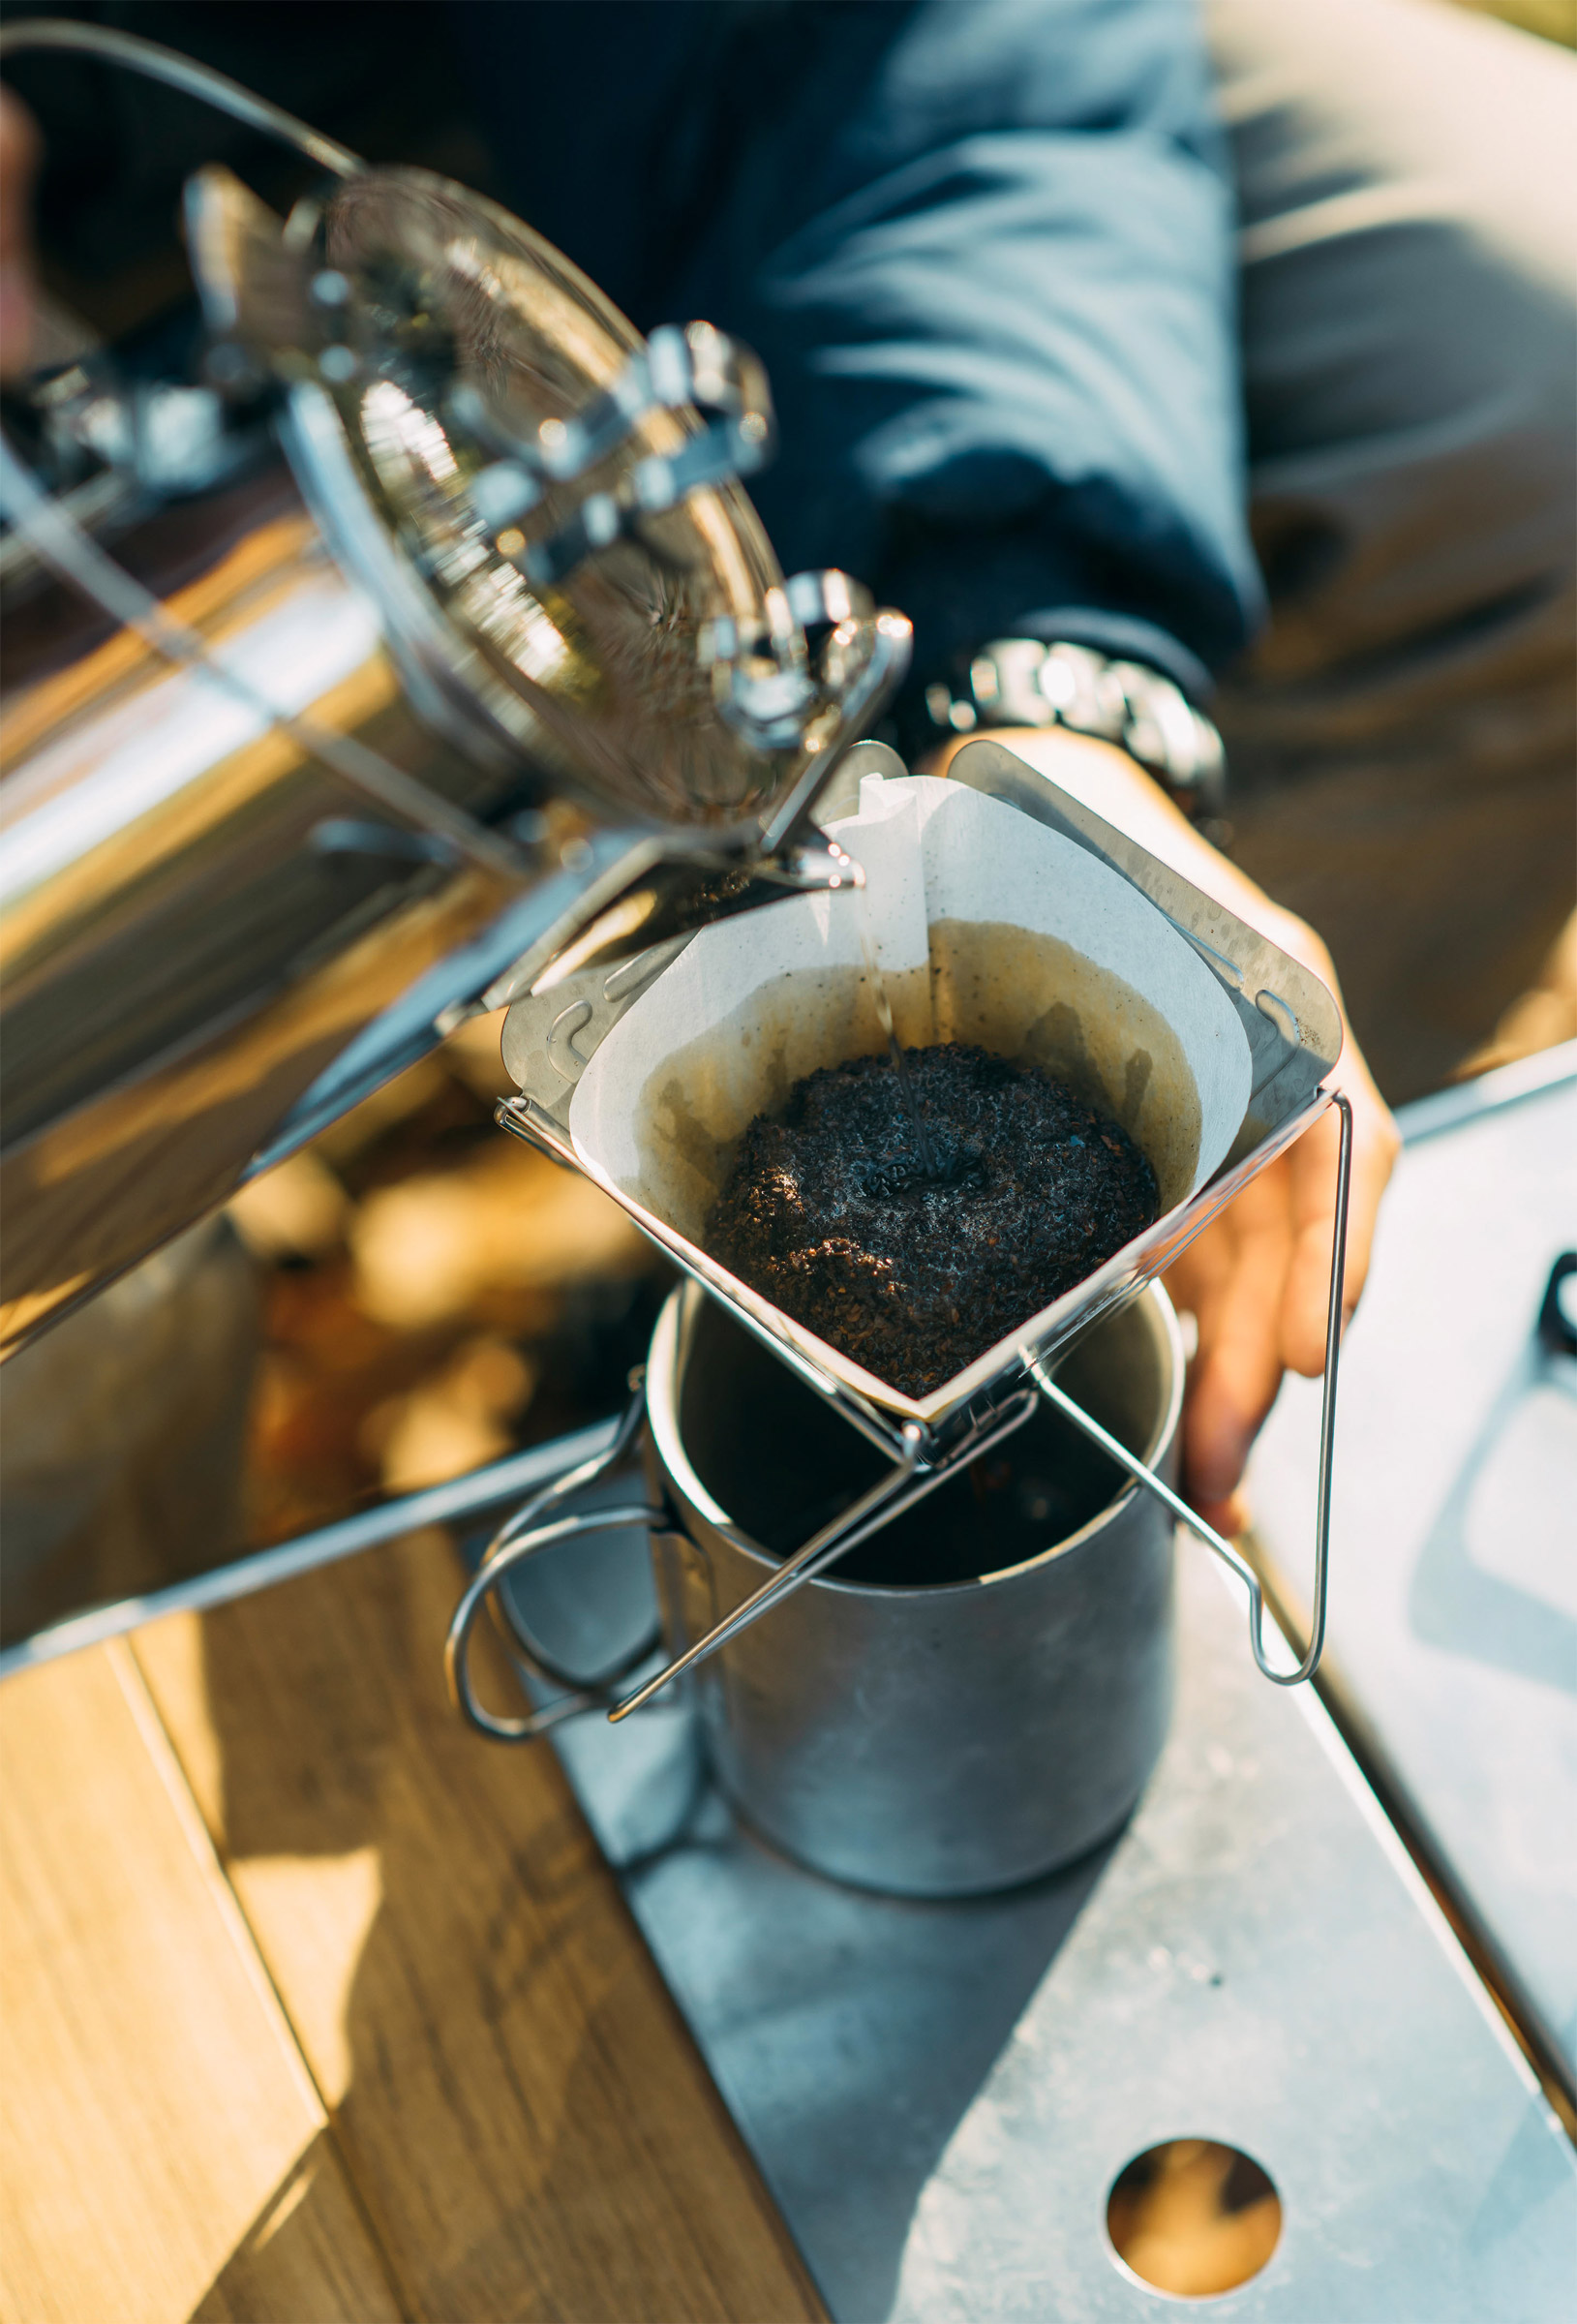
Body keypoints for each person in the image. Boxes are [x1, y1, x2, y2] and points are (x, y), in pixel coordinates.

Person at [6, 0, 1573, 1533]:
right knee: (70, 1314)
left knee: (1525, 366)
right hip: (98, 227)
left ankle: (916, 1339)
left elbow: (941, 64)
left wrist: (1044, 664)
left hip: (614, 76)